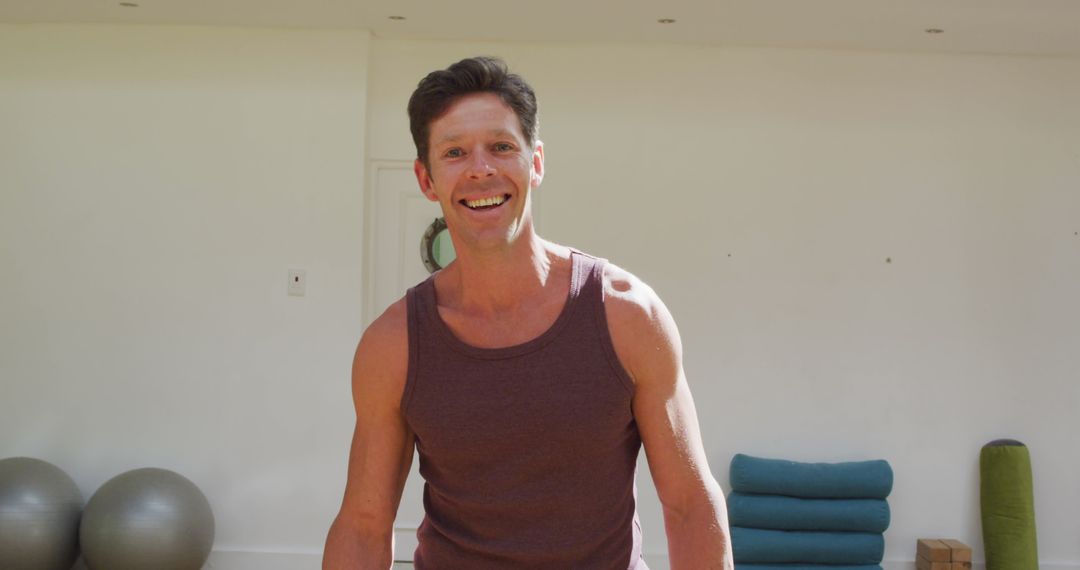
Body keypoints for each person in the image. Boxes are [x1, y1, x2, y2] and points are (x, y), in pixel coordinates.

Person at [323, 56, 732, 570]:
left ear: (535, 162)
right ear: (426, 180)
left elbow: (691, 504)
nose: (481, 169)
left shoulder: (626, 314)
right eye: (454, 153)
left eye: (501, 147)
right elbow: (363, 525)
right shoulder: (394, 344)